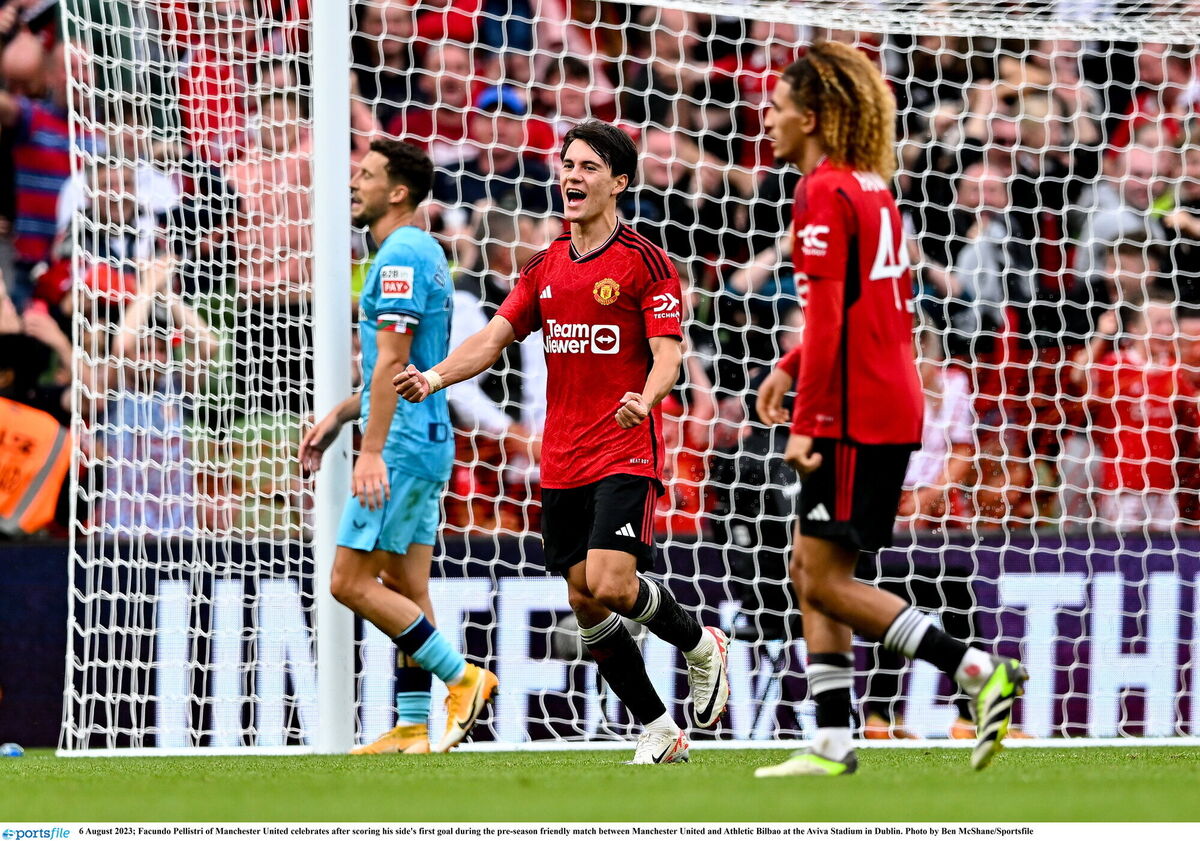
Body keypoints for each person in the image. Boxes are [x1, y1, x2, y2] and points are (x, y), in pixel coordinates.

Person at [395, 120, 730, 765]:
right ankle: (658, 728)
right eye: (567, 164)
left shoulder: (646, 264)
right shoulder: (544, 268)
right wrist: (435, 375)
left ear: (620, 183)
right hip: (562, 454)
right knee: (583, 597)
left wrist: (650, 397)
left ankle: (696, 641)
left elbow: (668, 356)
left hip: (625, 446)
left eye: (587, 168)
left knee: (609, 582)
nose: (571, 177)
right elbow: (492, 340)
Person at [751, 41, 1026, 778]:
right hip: (882, 393)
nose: (766, 118)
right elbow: (861, 307)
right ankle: (835, 738)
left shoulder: (820, 192)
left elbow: (832, 321)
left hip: (853, 409)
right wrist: (787, 364)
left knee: (825, 579)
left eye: (777, 107)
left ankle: (976, 671)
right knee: (805, 564)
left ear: (810, 117)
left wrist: (807, 421)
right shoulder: (869, 185)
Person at [299, 139, 497, 756]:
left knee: (349, 582)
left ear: (399, 192)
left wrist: (370, 450)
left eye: (367, 174)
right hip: (426, 435)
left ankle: (463, 678)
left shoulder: (402, 256)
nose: (354, 183)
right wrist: (340, 414)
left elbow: (392, 360)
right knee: (407, 586)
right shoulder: (421, 251)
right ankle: (414, 723)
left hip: (404, 445)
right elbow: (405, 366)